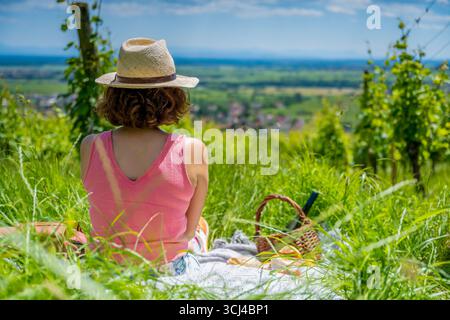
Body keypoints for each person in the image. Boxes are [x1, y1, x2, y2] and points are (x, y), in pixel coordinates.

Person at [81, 37, 209, 275]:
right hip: (168, 269)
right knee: (202, 228)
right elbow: (188, 232)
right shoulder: (193, 150)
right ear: (171, 97)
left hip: (106, 268)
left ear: (114, 95)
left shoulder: (91, 146)